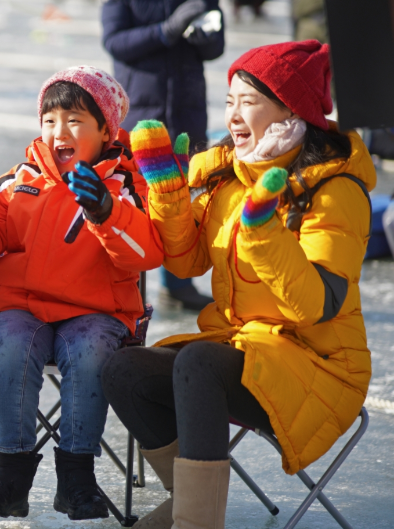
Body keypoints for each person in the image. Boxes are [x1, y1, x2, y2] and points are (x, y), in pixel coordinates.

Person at [101, 40, 372, 529]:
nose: (233, 116)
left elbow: (315, 307)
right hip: (244, 349)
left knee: (200, 362)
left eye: (248, 102)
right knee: (124, 369)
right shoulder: (230, 178)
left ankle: (196, 523)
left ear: (292, 111)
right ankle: (190, 505)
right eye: (229, 101)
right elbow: (186, 261)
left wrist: (264, 232)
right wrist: (169, 193)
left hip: (319, 364)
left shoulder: (336, 191)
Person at [0, 67, 163, 521]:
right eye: (50, 120)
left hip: (97, 311)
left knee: (90, 351)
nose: (60, 131)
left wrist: (104, 211)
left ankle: (77, 477)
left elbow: (147, 252)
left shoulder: (124, 184)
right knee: (10, 344)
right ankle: (12, 476)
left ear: (106, 130)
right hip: (21, 306)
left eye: (75, 121)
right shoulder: (20, 180)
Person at [102, 0, 224, 311]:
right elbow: (115, 41)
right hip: (141, 113)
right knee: (135, 198)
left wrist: (205, 36)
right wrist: (165, 31)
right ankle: (129, 284)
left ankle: (178, 283)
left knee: (179, 195)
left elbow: (216, 47)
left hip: (188, 110)